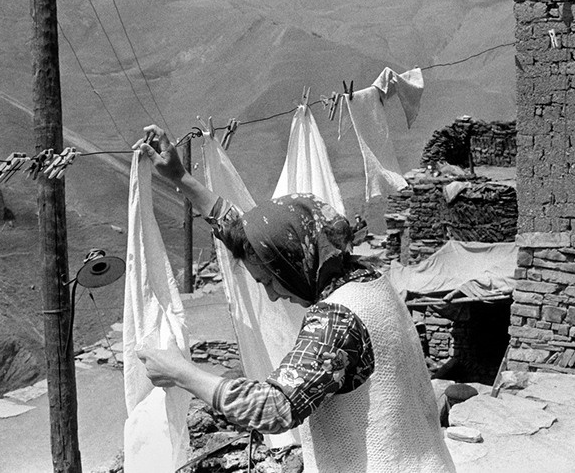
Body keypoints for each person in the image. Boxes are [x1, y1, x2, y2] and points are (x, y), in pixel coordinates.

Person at [132, 125, 456, 473]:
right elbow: (258, 237)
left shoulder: (337, 319)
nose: (272, 295)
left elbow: (274, 407)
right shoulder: (367, 278)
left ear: (292, 265)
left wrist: (181, 372)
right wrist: (181, 177)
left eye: (270, 281)